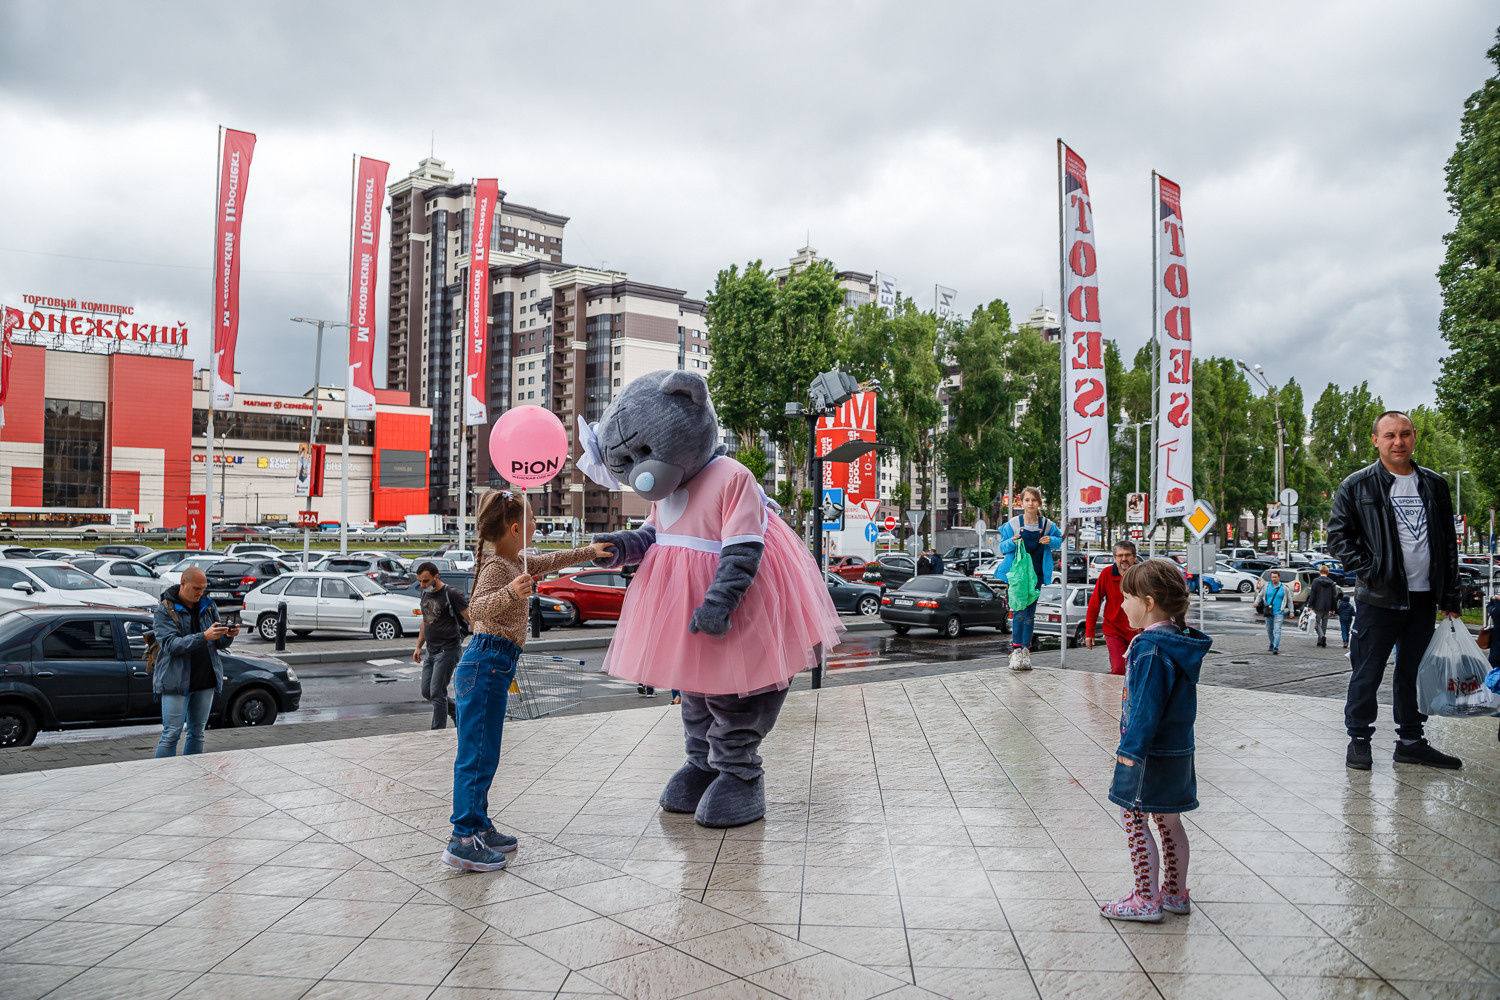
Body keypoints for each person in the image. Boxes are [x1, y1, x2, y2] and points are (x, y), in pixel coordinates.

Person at [443, 491, 613, 872]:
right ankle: (462, 839)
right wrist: (511, 593)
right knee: (477, 755)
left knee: (486, 752)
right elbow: (476, 611)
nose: (538, 525)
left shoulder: (514, 560)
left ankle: (480, 827)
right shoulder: (497, 569)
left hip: (494, 665)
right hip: (484, 664)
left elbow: (552, 559)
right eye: (534, 519)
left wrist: (591, 551)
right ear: (516, 527)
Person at [1328, 410, 1464, 771]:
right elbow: (1338, 539)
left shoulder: (1434, 484)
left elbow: (1448, 543)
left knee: (1413, 673)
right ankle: (1359, 739)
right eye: (1389, 436)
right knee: (1367, 672)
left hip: (1423, 599)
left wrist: (1451, 595)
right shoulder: (1357, 486)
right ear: (1376, 440)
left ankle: (1411, 741)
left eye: (1404, 434)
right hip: (1378, 598)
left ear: (1415, 437)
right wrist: (1373, 573)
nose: (1398, 442)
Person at [1100, 558, 1210, 923]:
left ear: (1148, 602)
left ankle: (1145, 899)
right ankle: (1174, 895)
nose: (1120, 605)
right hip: (1176, 751)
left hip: (1148, 754)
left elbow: (1146, 706)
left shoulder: (1149, 647)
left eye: (1127, 597)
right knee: (1168, 820)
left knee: (1132, 817)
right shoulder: (1178, 641)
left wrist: (1130, 751)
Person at [151, 566, 238, 757]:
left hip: (205, 679)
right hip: (176, 680)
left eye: (203, 588)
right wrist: (203, 637)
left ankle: (192, 775)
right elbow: (170, 645)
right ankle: (161, 780)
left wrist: (228, 635)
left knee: (197, 733)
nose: (201, 593)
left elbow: (217, 643)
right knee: (171, 734)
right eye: (197, 588)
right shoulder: (165, 610)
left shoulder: (208, 605)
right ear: (183, 584)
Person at [994, 486, 1062, 672]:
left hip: (1037, 574)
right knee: (1019, 612)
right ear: (1021, 502)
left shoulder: (1047, 525)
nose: (1030, 503)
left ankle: (1026, 651)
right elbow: (1003, 547)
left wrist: (1051, 540)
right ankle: (1016, 651)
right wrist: (1013, 542)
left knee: (1030, 614)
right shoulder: (1014, 524)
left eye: (1034, 500)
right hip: (1018, 576)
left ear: (1039, 503)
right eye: (1027, 500)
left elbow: (1059, 539)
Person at [412, 562, 471, 730]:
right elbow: (426, 620)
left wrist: (481, 637)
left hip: (448, 650)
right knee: (427, 692)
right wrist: (418, 646)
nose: (422, 585)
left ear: (436, 577)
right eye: (420, 582)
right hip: (431, 650)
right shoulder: (425, 593)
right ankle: (457, 712)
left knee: (437, 693)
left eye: (425, 581)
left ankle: (437, 733)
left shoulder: (451, 593)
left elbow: (469, 616)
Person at [1085, 540, 1142, 675]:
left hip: (1140, 631)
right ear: (1114, 558)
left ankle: (1132, 696)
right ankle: (1117, 696)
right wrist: (1089, 632)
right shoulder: (1107, 574)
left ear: (1134, 556)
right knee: (1119, 670)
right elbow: (1094, 602)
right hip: (1114, 630)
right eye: (1120, 555)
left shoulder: (1143, 574)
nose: (1124, 559)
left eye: (1127, 555)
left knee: (1139, 670)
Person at [1306, 564, 1341, 648]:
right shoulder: (1332, 583)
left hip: (1317, 605)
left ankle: (1321, 637)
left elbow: (1313, 594)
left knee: (1317, 623)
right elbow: (1334, 597)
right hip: (1327, 606)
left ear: (1319, 572)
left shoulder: (1315, 581)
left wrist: (1310, 605)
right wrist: (1334, 608)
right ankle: (1320, 641)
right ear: (1328, 572)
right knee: (1324, 624)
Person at [1260, 571, 1293, 655]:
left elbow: (1289, 600)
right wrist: (1256, 602)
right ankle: (1271, 642)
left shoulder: (1284, 587)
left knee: (1277, 630)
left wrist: (1291, 611)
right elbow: (1260, 595)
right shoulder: (1267, 586)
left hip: (1279, 612)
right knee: (1269, 629)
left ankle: (1276, 647)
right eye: (1272, 577)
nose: (1274, 579)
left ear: (1279, 577)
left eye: (1275, 577)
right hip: (1269, 612)